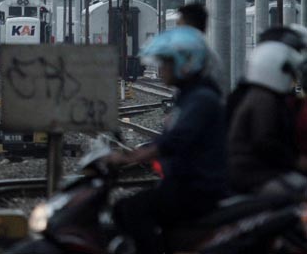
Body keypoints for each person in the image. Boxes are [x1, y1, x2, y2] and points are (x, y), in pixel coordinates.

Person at [107, 26, 227, 254]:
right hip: (185, 184)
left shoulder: (201, 99)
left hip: (198, 188)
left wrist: (130, 157)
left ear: (185, 63)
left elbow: (176, 140)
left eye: (166, 63)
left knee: (132, 210)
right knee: (127, 208)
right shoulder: (190, 96)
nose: (160, 69)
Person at [227, 25, 307, 194]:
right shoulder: (264, 100)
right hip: (253, 174)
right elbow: (265, 141)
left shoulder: (257, 95)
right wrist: (295, 161)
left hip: (253, 171)